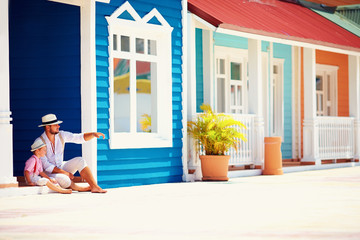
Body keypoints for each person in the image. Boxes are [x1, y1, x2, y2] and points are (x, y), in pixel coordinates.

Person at [36, 113, 107, 193]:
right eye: (55, 125)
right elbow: (47, 166)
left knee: (80, 160)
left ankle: (94, 187)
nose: (58, 126)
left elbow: (78, 138)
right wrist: (65, 173)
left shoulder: (61, 135)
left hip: (60, 167)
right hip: (48, 174)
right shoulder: (39, 142)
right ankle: (80, 188)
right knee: (65, 179)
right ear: (48, 127)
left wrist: (93, 134)